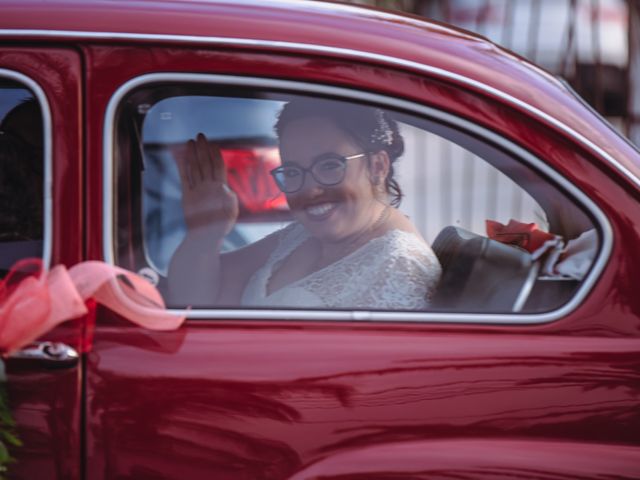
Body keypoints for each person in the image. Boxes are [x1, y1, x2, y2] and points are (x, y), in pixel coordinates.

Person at [168, 98, 441, 310]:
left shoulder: (401, 267)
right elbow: (197, 298)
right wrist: (205, 233)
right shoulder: (302, 235)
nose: (310, 189)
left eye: (330, 165)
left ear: (378, 165)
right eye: (293, 171)